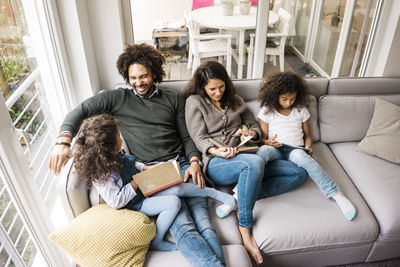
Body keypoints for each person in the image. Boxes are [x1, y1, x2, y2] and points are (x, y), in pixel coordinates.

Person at [49, 43, 227, 266]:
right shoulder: (118, 99)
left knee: (205, 223)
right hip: (151, 175)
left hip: (181, 166)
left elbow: (187, 137)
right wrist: (63, 141)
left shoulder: (174, 99)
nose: (138, 82)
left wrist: (194, 162)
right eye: (132, 77)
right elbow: (81, 111)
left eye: (143, 76)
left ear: (154, 73)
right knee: (185, 226)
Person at [184, 61, 308, 265]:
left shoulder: (235, 100)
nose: (218, 92)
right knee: (255, 163)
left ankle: (240, 198)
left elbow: (254, 126)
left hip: (244, 152)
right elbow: (198, 137)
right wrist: (217, 150)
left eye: (221, 87)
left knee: (298, 173)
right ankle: (245, 228)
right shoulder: (194, 102)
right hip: (216, 161)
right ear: (203, 87)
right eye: (212, 89)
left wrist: (250, 133)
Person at [73, 114, 236, 251]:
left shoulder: (112, 156)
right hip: (135, 203)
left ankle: (214, 193)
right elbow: (116, 201)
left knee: (177, 187)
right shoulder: (102, 175)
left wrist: (145, 168)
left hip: (142, 186)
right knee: (173, 202)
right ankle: (157, 240)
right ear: (111, 146)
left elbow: (131, 163)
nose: (120, 137)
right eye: (118, 135)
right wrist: (137, 182)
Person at [256, 71, 356, 221]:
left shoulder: (300, 110)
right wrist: (267, 142)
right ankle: (238, 194)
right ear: (275, 95)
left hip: (295, 150)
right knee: (262, 152)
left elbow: (308, 136)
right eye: (284, 99)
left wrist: (309, 147)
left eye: (292, 99)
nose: (289, 102)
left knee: (301, 156)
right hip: (275, 148)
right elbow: (262, 139)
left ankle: (336, 194)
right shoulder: (266, 111)